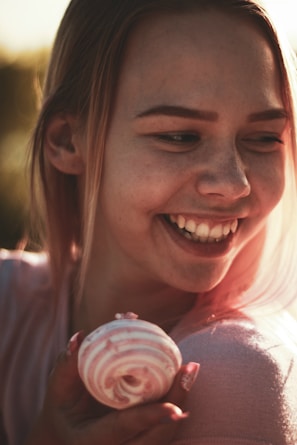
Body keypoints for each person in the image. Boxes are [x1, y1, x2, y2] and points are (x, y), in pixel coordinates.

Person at [1, 0, 297, 443]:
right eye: (179, 136)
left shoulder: (238, 368)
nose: (233, 184)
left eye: (262, 138)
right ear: (67, 140)